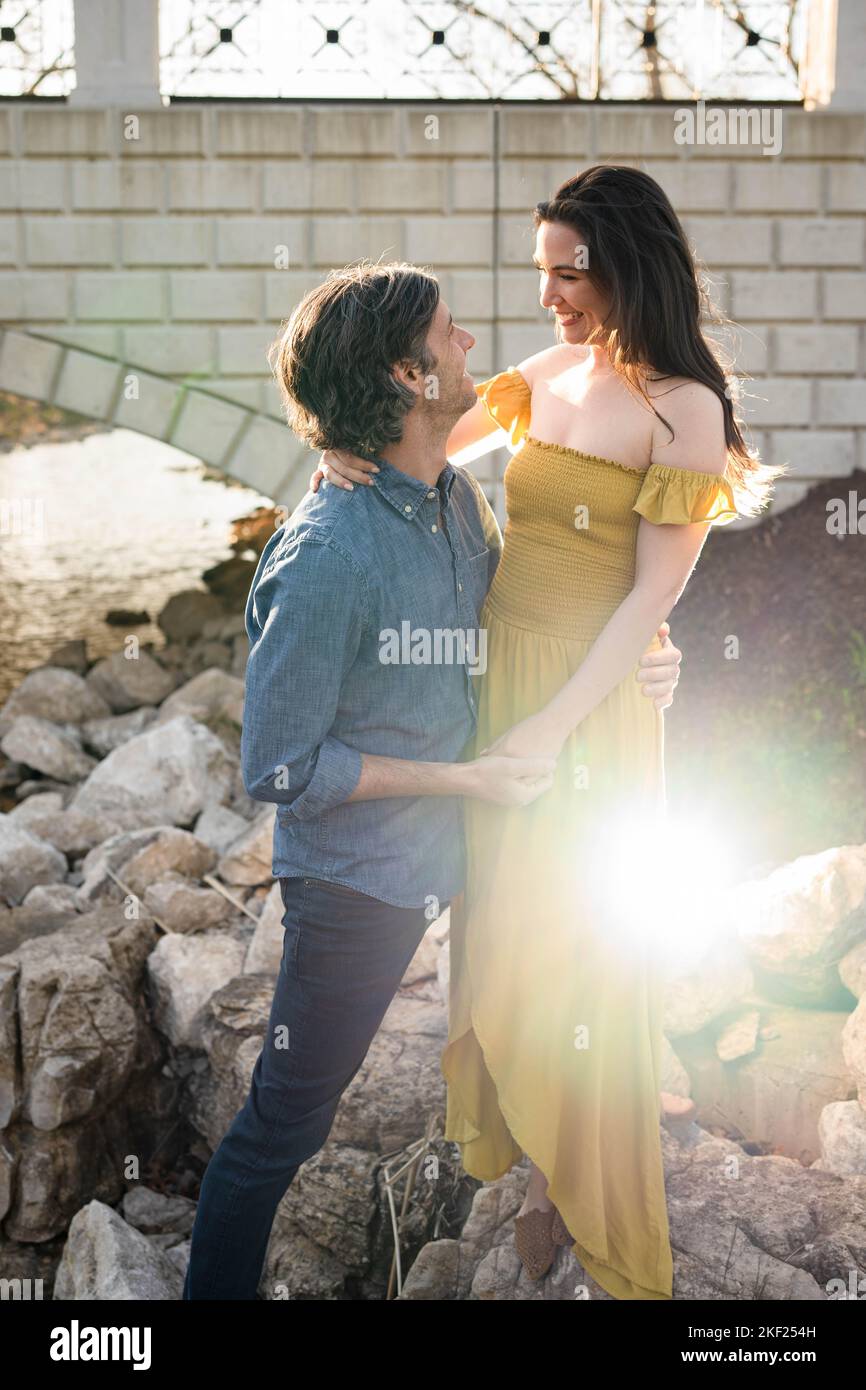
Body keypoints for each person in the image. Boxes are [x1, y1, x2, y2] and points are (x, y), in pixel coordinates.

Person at [312, 165, 783, 1299]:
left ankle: (584, 1189)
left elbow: (644, 604)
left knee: (578, 944)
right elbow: (420, 445)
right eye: (540, 273)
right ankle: (522, 1140)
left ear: (629, 263)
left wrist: (552, 728)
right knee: (500, 929)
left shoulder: (683, 410)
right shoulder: (541, 375)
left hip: (590, 709)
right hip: (496, 683)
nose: (550, 296)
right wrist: (343, 451)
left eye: (569, 272)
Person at [182, 256, 682, 1301]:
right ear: (409, 377)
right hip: (362, 883)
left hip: (477, 845)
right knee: (286, 1122)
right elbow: (276, 764)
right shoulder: (326, 551)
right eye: (449, 334)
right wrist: (463, 783)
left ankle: (564, 1187)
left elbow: (525, 616)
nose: (468, 346)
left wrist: (645, 652)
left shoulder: (450, 498)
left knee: (563, 984)